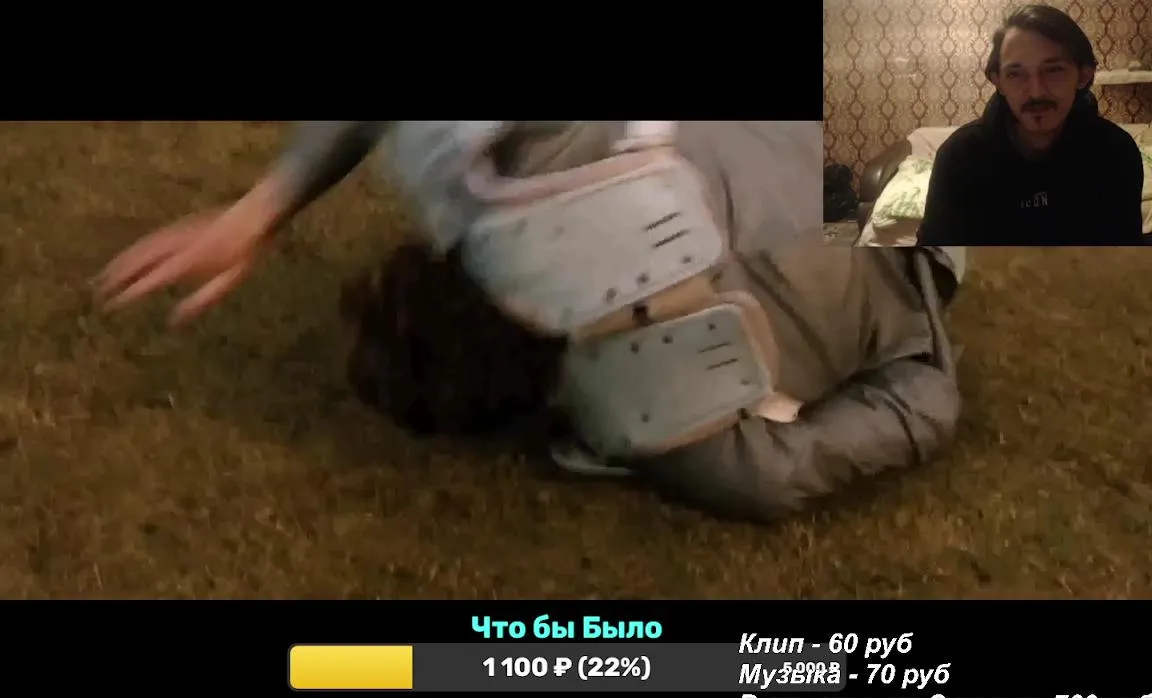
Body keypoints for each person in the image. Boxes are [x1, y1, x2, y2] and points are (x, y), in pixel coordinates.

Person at [95, 121, 966, 524]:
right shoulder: (531, 157)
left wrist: (917, 339)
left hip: (919, 223)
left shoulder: (691, 442)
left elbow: (922, 405)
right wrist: (258, 211)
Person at [918, 4, 1145, 247]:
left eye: (1053, 70)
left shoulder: (1116, 152)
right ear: (998, 81)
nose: (1036, 91)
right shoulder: (960, 157)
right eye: (1016, 74)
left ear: (1083, 76)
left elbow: (1124, 260)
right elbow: (932, 263)